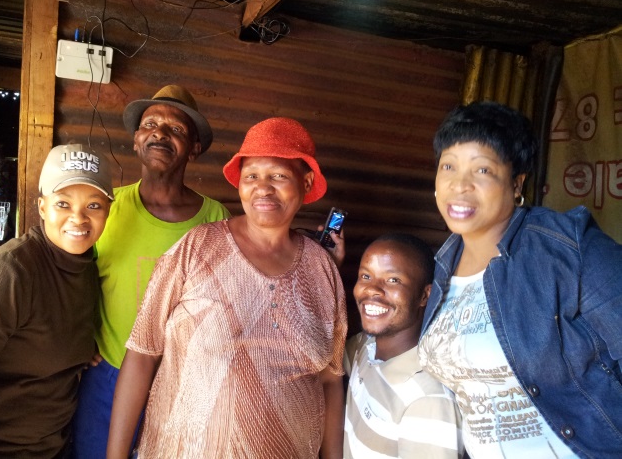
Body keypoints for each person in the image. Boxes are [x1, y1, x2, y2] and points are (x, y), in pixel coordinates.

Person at [107, 117, 348, 459]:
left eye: (278, 176)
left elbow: (331, 379)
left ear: (306, 182)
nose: (263, 188)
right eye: (252, 176)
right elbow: (142, 354)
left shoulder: (322, 268)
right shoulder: (195, 248)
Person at [418, 101, 622, 459]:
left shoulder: (569, 247)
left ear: (517, 183)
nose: (459, 185)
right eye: (448, 166)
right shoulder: (444, 264)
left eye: (482, 169)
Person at [70, 85, 230, 458]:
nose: (160, 133)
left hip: (183, 384)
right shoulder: (106, 208)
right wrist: (78, 337)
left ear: (193, 148)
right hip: (108, 373)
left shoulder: (215, 219)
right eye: (150, 124)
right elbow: (71, 277)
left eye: (176, 129)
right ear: (136, 140)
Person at [0, 143, 114, 458]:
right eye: (63, 203)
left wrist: (84, 349)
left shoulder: (87, 271)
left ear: (108, 212)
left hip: (56, 448)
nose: (79, 218)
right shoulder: (7, 275)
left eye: (94, 205)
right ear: (42, 207)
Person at [344, 233, 463, 459]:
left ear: (424, 296)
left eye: (393, 280)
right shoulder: (365, 347)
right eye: (366, 276)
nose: (372, 289)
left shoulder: (427, 397)